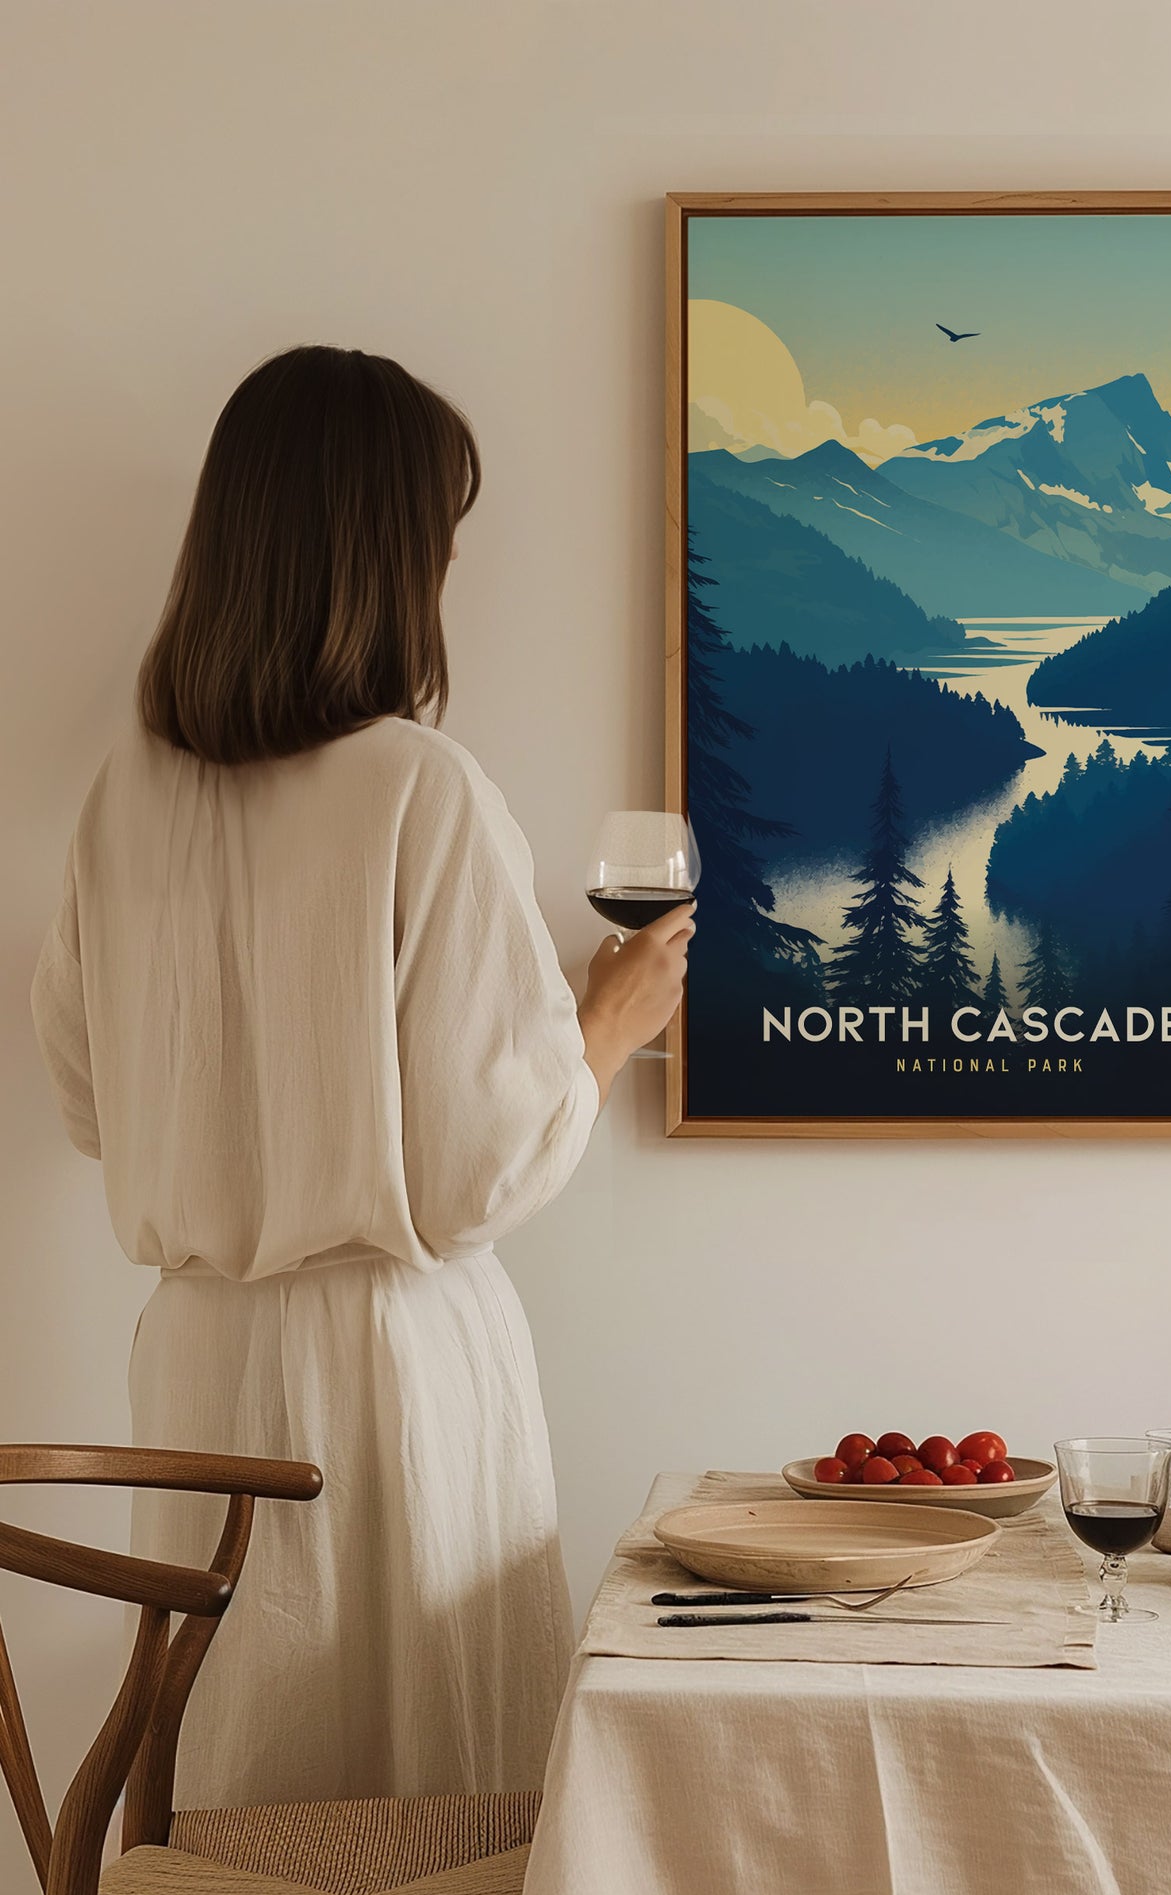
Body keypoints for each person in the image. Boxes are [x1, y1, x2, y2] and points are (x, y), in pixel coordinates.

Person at [29, 345, 688, 1806]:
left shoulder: (124, 797)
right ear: (387, 556)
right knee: (422, 1810)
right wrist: (606, 1021)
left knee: (240, 1787)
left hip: (198, 1361)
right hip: (390, 1372)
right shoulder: (417, 786)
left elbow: (87, 1101)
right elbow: (474, 1173)